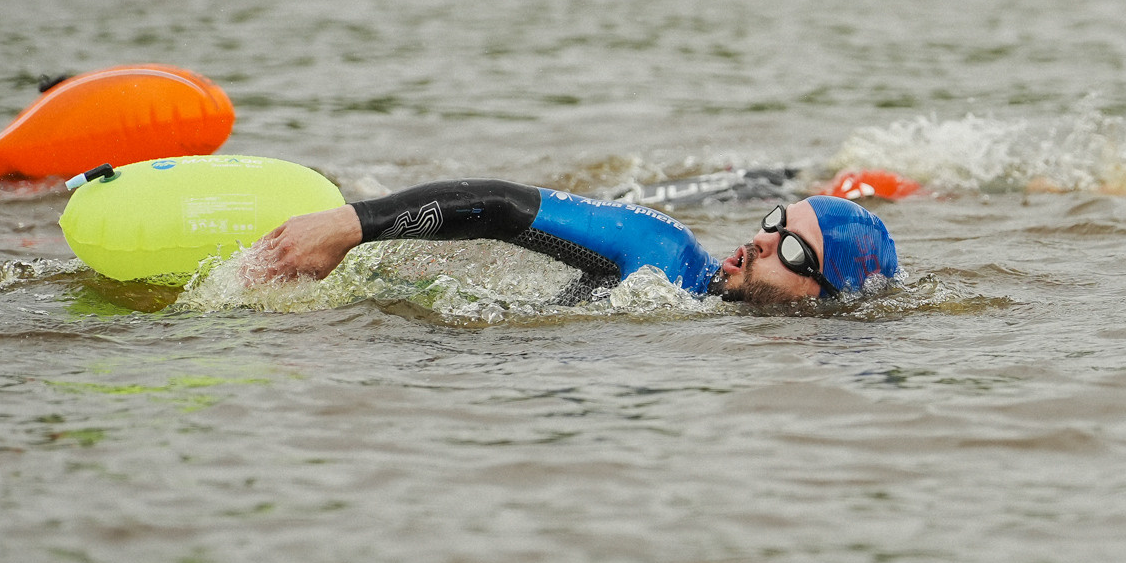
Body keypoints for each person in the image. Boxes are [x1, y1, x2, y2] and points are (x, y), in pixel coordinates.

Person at [248, 179, 900, 306]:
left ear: (824, 296)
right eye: (774, 220)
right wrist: (348, 225)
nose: (761, 243)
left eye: (790, 250)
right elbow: (503, 207)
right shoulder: (661, 252)